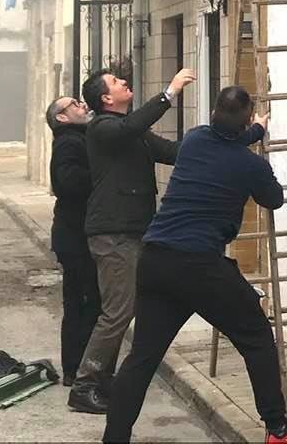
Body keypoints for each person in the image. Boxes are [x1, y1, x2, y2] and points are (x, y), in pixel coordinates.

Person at [103, 86, 287, 444]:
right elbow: (273, 199)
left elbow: (226, 142)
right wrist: (258, 144)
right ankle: (278, 429)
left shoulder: (194, 139)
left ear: (214, 113)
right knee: (256, 337)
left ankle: (114, 438)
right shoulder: (250, 164)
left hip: (155, 259)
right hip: (199, 265)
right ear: (245, 120)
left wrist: (256, 130)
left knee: (142, 357)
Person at [67, 68, 196, 414]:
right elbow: (128, 129)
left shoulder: (131, 132)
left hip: (135, 232)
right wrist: (169, 93)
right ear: (106, 98)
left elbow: (173, 151)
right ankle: (85, 385)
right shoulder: (103, 128)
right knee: (117, 313)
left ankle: (103, 381)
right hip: (113, 235)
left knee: (128, 309)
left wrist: (222, 137)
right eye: (116, 82)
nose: (124, 82)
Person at [46, 95, 101, 387]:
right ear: (62, 117)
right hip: (76, 237)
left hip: (76, 235)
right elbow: (67, 182)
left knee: (82, 301)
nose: (82, 106)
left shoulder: (79, 137)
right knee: (84, 302)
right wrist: (102, 174)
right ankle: (77, 369)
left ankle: (77, 367)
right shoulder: (68, 141)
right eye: (74, 105)